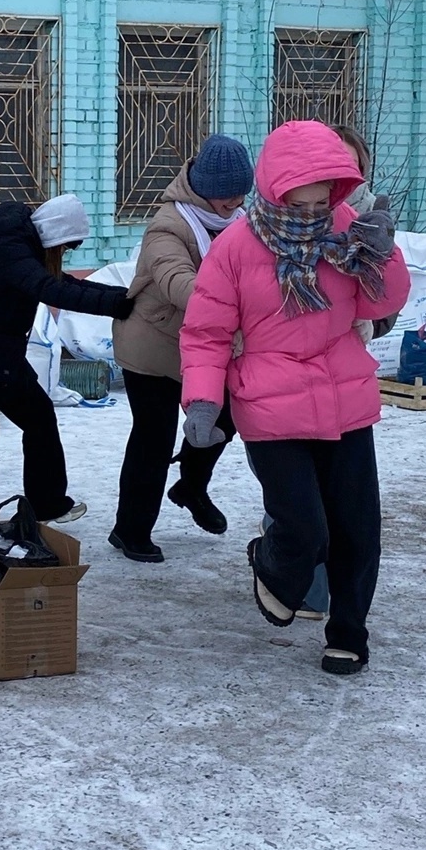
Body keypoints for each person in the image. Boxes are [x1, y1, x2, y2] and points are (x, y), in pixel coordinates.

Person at [179, 119, 411, 677]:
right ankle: (274, 566)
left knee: (357, 529)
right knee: (304, 527)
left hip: (345, 398)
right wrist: (203, 404)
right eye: (305, 195)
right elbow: (206, 334)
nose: (316, 209)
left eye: (326, 193)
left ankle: (348, 634)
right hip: (270, 403)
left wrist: (384, 255)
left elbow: (382, 306)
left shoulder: (347, 228)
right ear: (279, 186)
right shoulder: (237, 245)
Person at [0, 193, 133, 534]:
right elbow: (50, 288)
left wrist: (121, 297)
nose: (65, 255)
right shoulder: (11, 251)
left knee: (21, 426)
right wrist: (118, 306)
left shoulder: (21, 247)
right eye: (67, 247)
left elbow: (61, 282)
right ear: (56, 237)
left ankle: (37, 503)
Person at [109, 134, 253, 564]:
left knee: (224, 418)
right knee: (152, 438)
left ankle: (191, 486)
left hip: (207, 348)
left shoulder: (242, 221)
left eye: (240, 192)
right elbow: (176, 281)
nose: (235, 201)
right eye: (226, 194)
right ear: (203, 188)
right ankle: (130, 530)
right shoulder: (168, 225)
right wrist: (239, 305)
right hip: (152, 346)